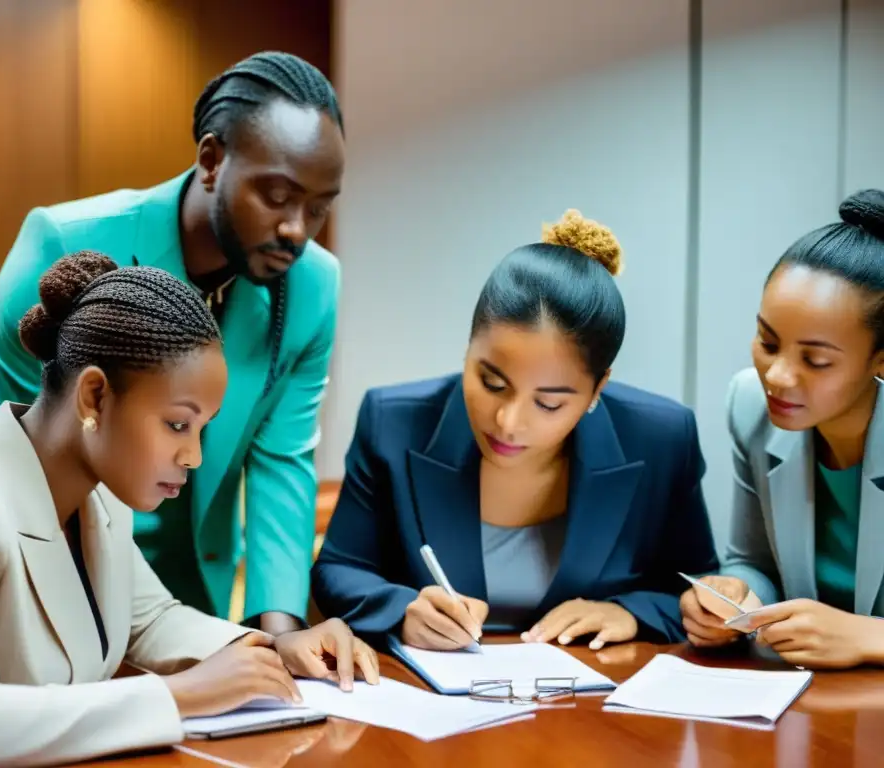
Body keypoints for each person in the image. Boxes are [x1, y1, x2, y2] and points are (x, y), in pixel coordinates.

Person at [0, 253, 377, 768]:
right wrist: (181, 694)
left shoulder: (99, 495)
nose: (194, 456)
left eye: (202, 429)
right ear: (94, 396)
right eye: (178, 424)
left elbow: (150, 621)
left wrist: (275, 648)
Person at [0, 52, 344, 634]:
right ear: (212, 161)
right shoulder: (62, 245)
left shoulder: (312, 286)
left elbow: (281, 463)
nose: (296, 229)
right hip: (51, 593)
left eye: (318, 208)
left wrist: (281, 639)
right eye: (276, 195)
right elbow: (1, 456)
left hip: (194, 604)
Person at [311, 210, 719, 651]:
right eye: (491, 383)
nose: (507, 421)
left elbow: (701, 590)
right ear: (468, 347)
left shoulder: (661, 438)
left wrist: (629, 613)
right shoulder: (394, 422)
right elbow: (339, 568)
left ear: (598, 388)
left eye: (548, 403)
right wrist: (401, 609)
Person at [681, 189, 884, 670]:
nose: (776, 376)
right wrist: (735, 597)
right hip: (806, 703)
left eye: (815, 360)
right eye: (767, 342)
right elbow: (754, 559)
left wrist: (871, 637)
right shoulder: (750, 405)